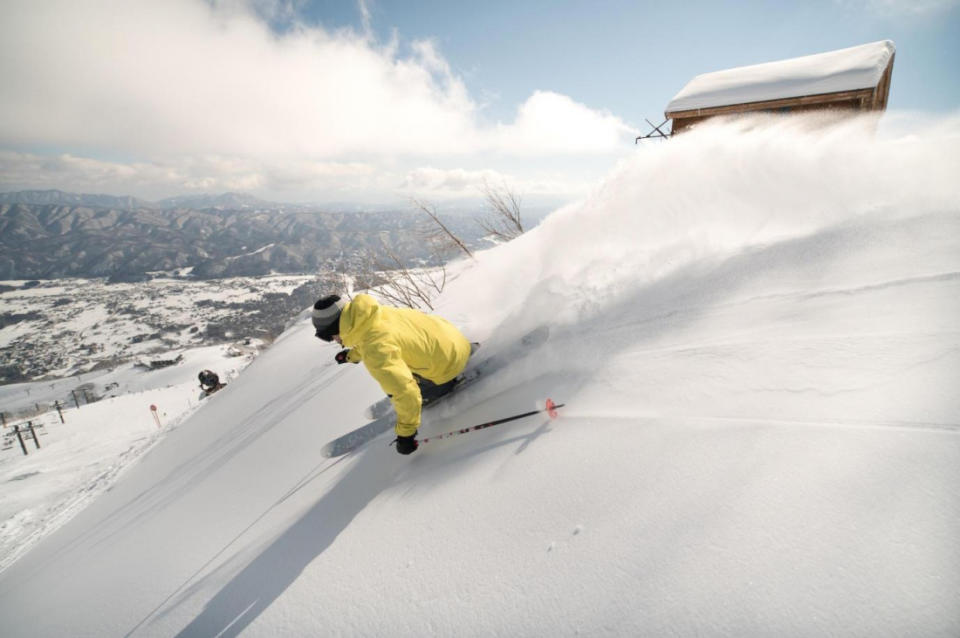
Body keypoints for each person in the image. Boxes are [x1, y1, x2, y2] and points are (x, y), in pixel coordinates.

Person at [312, 293, 472, 455]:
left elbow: (406, 392)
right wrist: (351, 356)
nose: (333, 340)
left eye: (328, 336)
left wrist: (406, 435)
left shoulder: (374, 348)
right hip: (455, 342)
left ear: (336, 327)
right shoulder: (372, 314)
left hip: (448, 366)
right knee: (398, 369)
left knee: (404, 389)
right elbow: (376, 338)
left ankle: (442, 386)